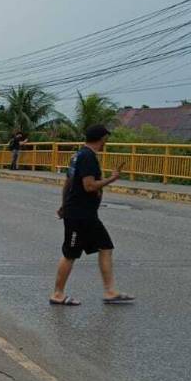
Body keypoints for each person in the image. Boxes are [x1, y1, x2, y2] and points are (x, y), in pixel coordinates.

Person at [49, 125, 134, 306]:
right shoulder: (87, 157)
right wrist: (113, 178)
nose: (106, 143)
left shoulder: (78, 155)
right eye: (106, 139)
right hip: (79, 214)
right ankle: (57, 294)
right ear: (101, 139)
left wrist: (63, 204)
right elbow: (89, 186)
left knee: (106, 246)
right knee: (70, 253)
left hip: (86, 213)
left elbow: (68, 182)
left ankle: (110, 291)